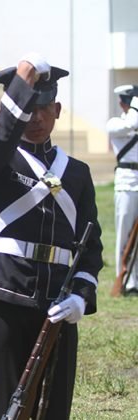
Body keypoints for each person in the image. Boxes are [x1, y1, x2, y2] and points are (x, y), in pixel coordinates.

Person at [0, 53, 103, 420]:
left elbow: (90, 244)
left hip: (59, 303)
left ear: (57, 110)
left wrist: (82, 295)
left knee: (53, 407)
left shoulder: (77, 172)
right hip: (7, 295)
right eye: (27, 109)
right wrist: (19, 93)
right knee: (8, 409)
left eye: (43, 108)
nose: (35, 117)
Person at [107, 84, 138, 294]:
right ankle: (124, 279)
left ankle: (135, 281)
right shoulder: (116, 123)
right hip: (126, 183)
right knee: (124, 233)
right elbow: (131, 123)